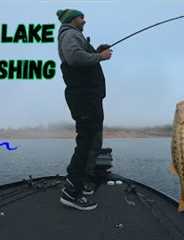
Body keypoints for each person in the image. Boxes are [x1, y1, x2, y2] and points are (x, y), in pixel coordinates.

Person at [56, 9, 112, 210]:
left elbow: (81, 57)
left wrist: (97, 51)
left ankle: (79, 184)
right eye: (81, 17)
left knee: (90, 142)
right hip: (84, 98)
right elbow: (75, 58)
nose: (84, 20)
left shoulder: (73, 35)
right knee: (85, 144)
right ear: (72, 19)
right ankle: (71, 193)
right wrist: (100, 57)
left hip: (88, 97)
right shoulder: (70, 34)